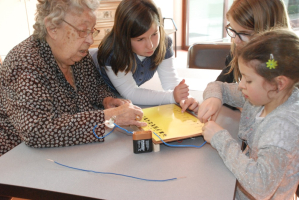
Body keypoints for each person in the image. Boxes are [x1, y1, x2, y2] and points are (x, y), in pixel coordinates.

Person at [0, 0, 147, 157]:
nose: (90, 40)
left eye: (92, 31)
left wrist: (106, 100)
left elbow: (95, 86)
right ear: (52, 28)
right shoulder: (24, 63)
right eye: (83, 31)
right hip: (18, 158)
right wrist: (110, 116)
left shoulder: (77, 55)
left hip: (71, 152)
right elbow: (37, 131)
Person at [198, 29, 299, 199]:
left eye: (248, 80)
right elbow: (219, 86)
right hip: (236, 184)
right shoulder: (263, 96)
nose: (240, 85)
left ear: (278, 84)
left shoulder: (282, 131)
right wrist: (214, 98)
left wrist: (220, 138)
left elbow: (260, 186)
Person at [95, 0, 194, 107]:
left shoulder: (164, 43)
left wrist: (182, 98)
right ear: (124, 38)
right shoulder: (112, 53)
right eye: (140, 39)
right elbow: (130, 92)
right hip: (104, 97)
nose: (150, 45)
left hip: (129, 96)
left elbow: (170, 82)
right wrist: (172, 97)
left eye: (154, 34)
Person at [216, 0, 291, 83]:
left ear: (269, 30)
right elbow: (219, 85)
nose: (236, 40)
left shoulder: (292, 65)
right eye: (233, 30)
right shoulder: (240, 49)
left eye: (245, 33)